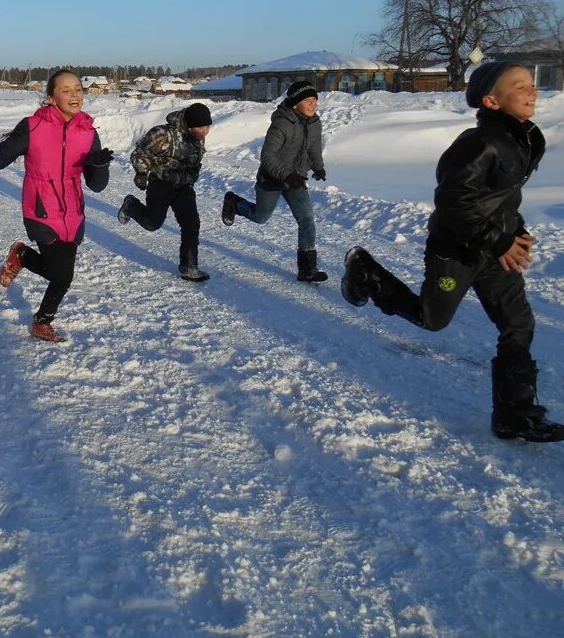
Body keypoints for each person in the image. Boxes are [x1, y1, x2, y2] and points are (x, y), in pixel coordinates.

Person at [341, 63, 562, 441]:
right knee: (432, 319)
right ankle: (367, 274)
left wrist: (514, 231)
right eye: (520, 86)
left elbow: (499, 197)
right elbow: (454, 200)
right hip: (456, 249)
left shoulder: (525, 138)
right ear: (491, 100)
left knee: (518, 324)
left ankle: (514, 414)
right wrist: (499, 239)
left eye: (532, 84)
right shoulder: (479, 143)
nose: (532, 91)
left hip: (495, 252)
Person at [0, 70, 111, 342]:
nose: (74, 95)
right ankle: (40, 316)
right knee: (60, 273)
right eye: (65, 90)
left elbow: (97, 186)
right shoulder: (33, 126)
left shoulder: (88, 132)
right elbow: (3, 154)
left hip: (72, 211)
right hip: (40, 208)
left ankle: (28, 277)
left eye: (78, 89)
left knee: (62, 275)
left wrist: (99, 165)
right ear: (50, 97)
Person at [221, 80, 328, 282]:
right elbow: (268, 157)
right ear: (296, 103)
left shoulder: (315, 123)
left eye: (315, 99)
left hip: (295, 180)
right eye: (307, 100)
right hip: (272, 178)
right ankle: (234, 203)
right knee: (260, 217)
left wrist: (318, 167)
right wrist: (287, 174)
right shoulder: (281, 123)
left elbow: (314, 149)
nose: (313, 104)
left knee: (307, 220)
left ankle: (307, 269)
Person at [117, 102, 213, 281]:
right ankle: (131, 205)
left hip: (184, 186)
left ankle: (189, 266)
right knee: (152, 224)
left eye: (207, 126)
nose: (205, 131)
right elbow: (139, 154)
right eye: (201, 127)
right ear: (190, 125)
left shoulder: (198, 136)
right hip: (161, 184)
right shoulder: (163, 135)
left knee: (191, 222)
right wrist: (141, 173)